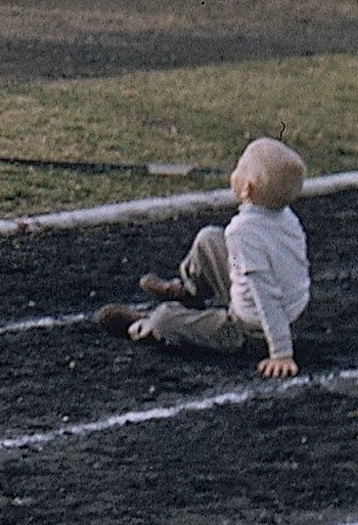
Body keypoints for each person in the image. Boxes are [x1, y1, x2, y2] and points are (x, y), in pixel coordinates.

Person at [99, 137, 309, 378]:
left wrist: (281, 351)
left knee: (164, 320)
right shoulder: (286, 216)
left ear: (246, 189)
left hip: (253, 331)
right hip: (289, 315)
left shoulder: (243, 232)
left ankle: (142, 325)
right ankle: (188, 293)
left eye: (240, 166)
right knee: (208, 238)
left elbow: (266, 295)